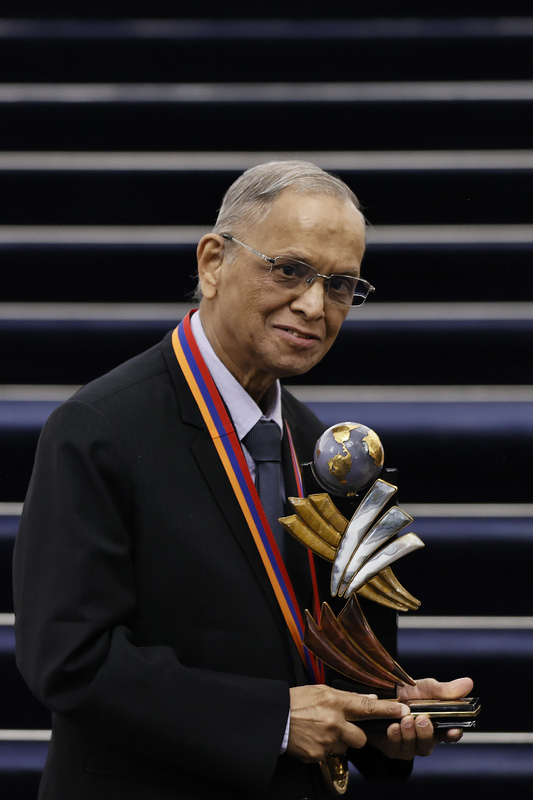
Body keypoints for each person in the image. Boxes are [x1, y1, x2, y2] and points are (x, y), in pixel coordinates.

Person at [13, 161, 473, 800]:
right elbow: (70, 660)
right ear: (212, 263)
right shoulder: (96, 427)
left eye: (340, 285)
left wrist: (388, 713)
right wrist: (275, 722)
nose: (313, 305)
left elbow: (334, 667)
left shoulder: (332, 453)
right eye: (289, 270)